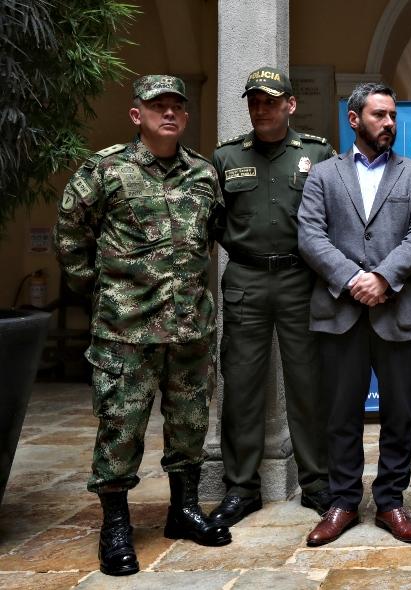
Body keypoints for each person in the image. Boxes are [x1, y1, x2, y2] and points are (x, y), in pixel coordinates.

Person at [53, 75, 231, 577]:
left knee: (190, 422)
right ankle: (115, 525)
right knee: (120, 428)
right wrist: (101, 291)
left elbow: (211, 235)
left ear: (186, 116)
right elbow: (70, 233)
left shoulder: (202, 174)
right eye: (157, 107)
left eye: (177, 106)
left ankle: (184, 510)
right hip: (125, 331)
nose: (168, 114)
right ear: (137, 115)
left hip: (190, 327)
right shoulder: (106, 169)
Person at [298, 82, 411, 546]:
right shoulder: (323, 174)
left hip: (397, 309)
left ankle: (391, 502)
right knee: (340, 412)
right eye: (379, 115)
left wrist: (381, 278)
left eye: (393, 115)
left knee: (400, 412)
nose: (389, 123)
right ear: (354, 119)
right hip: (339, 311)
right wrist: (352, 279)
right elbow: (310, 236)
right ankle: (342, 502)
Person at [209, 67, 337, 528]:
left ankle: (317, 482)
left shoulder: (318, 154)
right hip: (245, 278)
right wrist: (244, 252)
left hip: (301, 278)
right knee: (241, 385)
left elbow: (333, 216)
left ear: (290, 104)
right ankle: (241, 488)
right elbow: (213, 221)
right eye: (254, 101)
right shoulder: (226, 158)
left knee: (307, 382)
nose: (261, 108)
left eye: (270, 100)